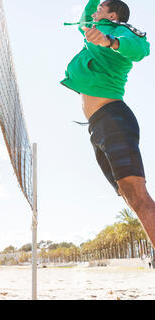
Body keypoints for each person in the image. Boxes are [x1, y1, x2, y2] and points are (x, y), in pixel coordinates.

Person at [61, 0, 154, 246]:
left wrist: (109, 41)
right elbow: (86, 15)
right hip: (98, 125)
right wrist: (96, 25)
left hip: (114, 118)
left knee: (137, 194)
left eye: (101, 7)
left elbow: (141, 49)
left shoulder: (119, 31)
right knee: (128, 195)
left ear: (113, 15)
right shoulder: (91, 30)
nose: (95, 10)